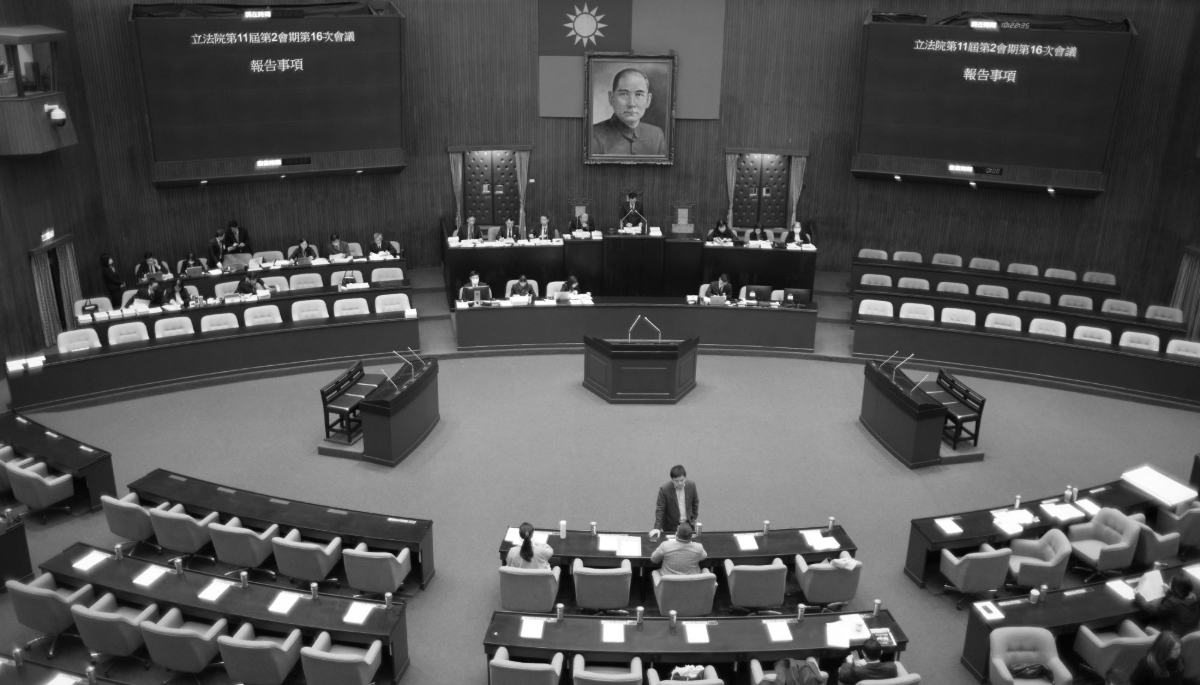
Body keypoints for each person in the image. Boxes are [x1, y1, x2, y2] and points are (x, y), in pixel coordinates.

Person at [591, 68, 666, 156]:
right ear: (612, 98)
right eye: (624, 94)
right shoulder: (594, 134)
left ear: (648, 100)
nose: (631, 104)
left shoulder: (657, 134)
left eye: (639, 94)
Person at [651, 465, 699, 537]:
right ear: (672, 479)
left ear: (685, 478)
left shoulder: (692, 485)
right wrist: (657, 528)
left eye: (682, 480)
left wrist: (693, 517)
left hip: (688, 525)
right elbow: (660, 509)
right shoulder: (664, 489)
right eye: (676, 481)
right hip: (671, 527)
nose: (679, 483)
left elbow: (695, 502)